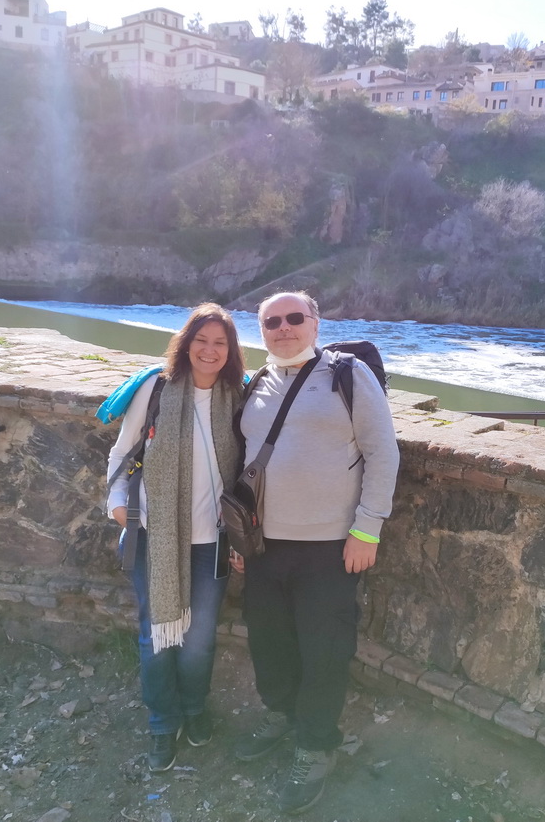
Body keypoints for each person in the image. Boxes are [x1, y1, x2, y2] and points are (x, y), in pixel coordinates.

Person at [233, 291, 400, 814]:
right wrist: (238, 540)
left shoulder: (348, 375)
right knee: (269, 641)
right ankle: (282, 714)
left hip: (330, 546)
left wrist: (367, 530)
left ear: (315, 323)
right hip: (263, 544)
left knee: (324, 650)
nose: (283, 328)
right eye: (271, 321)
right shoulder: (255, 383)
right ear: (261, 330)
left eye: (293, 318)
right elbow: (243, 463)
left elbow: (383, 452)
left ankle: (316, 744)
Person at [106, 303, 245, 772]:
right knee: (157, 637)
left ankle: (194, 708)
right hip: (154, 534)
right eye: (201, 340)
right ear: (185, 345)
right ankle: (163, 723)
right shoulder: (157, 388)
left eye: (220, 343)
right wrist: (116, 503)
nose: (209, 350)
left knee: (199, 641)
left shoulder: (239, 396)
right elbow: (123, 451)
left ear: (231, 351)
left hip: (213, 541)